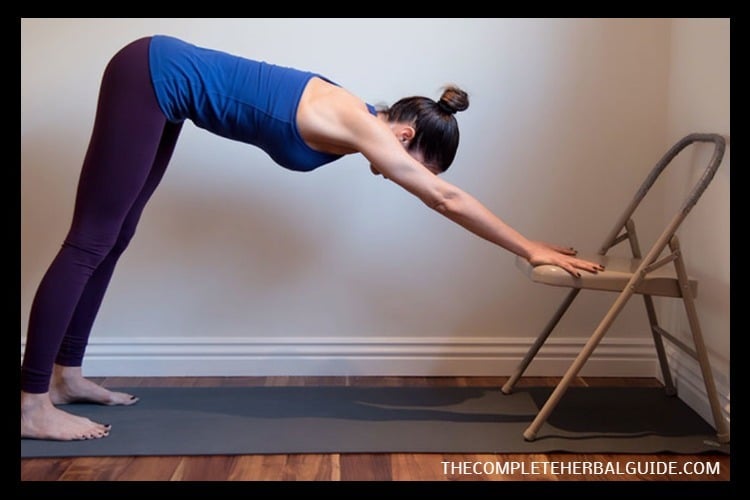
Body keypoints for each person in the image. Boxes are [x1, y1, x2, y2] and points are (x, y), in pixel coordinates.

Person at [20, 35, 604, 441]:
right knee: (90, 241)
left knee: (114, 236)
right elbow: (445, 199)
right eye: (422, 166)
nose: (418, 181)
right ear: (404, 136)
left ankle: (66, 377)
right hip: (151, 73)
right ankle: (32, 404)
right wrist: (528, 245)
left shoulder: (360, 118)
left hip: (163, 84)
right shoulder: (362, 124)